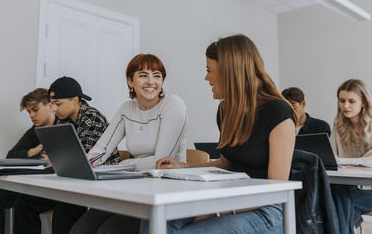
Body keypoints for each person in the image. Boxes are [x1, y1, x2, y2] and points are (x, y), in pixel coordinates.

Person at [141, 34, 296, 234]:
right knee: (155, 220)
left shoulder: (279, 113)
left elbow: (276, 191)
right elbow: (226, 163)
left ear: (230, 72)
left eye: (209, 70)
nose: (206, 77)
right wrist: (184, 166)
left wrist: (218, 210)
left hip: (266, 210)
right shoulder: (225, 110)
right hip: (229, 196)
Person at [70, 54, 188, 234]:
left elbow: (162, 161)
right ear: (130, 81)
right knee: (80, 230)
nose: (151, 81)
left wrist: (123, 165)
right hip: (135, 187)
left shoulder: (173, 104)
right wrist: (84, 161)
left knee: (109, 231)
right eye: (143, 75)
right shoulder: (127, 108)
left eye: (157, 75)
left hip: (166, 190)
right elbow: (102, 148)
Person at [13, 77, 119, 234]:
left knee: (65, 207)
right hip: (70, 184)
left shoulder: (91, 118)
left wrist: (55, 158)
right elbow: (53, 156)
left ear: (75, 100)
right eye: (53, 104)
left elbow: (82, 160)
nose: (55, 109)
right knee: (25, 202)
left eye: (58, 104)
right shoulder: (63, 121)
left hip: (97, 184)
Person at [0, 88, 58, 234]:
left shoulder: (64, 127)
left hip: (53, 187)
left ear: (50, 106)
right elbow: (11, 155)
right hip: (32, 183)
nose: (31, 115)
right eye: (29, 112)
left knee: (23, 202)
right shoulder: (35, 130)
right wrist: (34, 151)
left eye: (35, 110)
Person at [329, 79, 372, 234]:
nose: (345, 106)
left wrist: (344, 162)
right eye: (342, 101)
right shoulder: (338, 125)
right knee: (340, 197)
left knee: (336, 203)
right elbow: (332, 157)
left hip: (369, 189)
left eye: (351, 101)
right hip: (346, 187)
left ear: (363, 102)